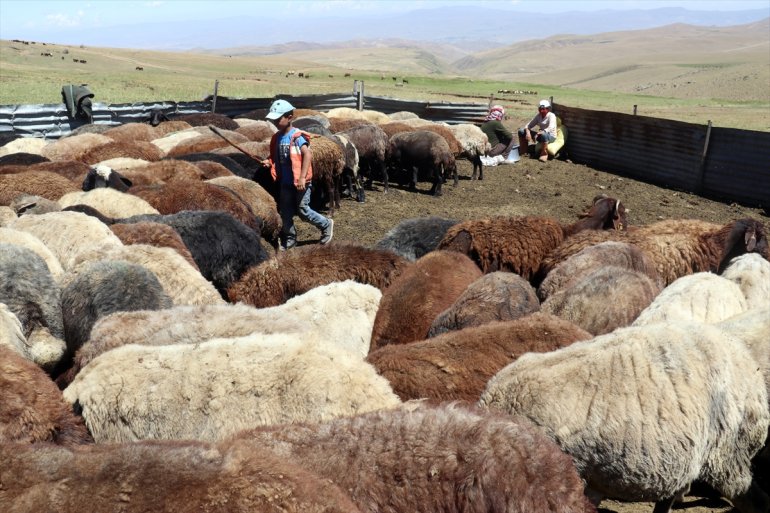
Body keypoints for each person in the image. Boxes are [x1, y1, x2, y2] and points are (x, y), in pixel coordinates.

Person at [261, 99, 333, 250]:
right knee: (285, 212)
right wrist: (269, 162)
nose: (275, 122)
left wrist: (302, 177)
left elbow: (307, 155)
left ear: (289, 117)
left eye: (277, 119)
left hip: (301, 182)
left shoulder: (297, 136)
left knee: (303, 210)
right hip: (285, 182)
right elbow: (276, 156)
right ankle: (290, 239)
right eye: (273, 120)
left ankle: (326, 224)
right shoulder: (277, 137)